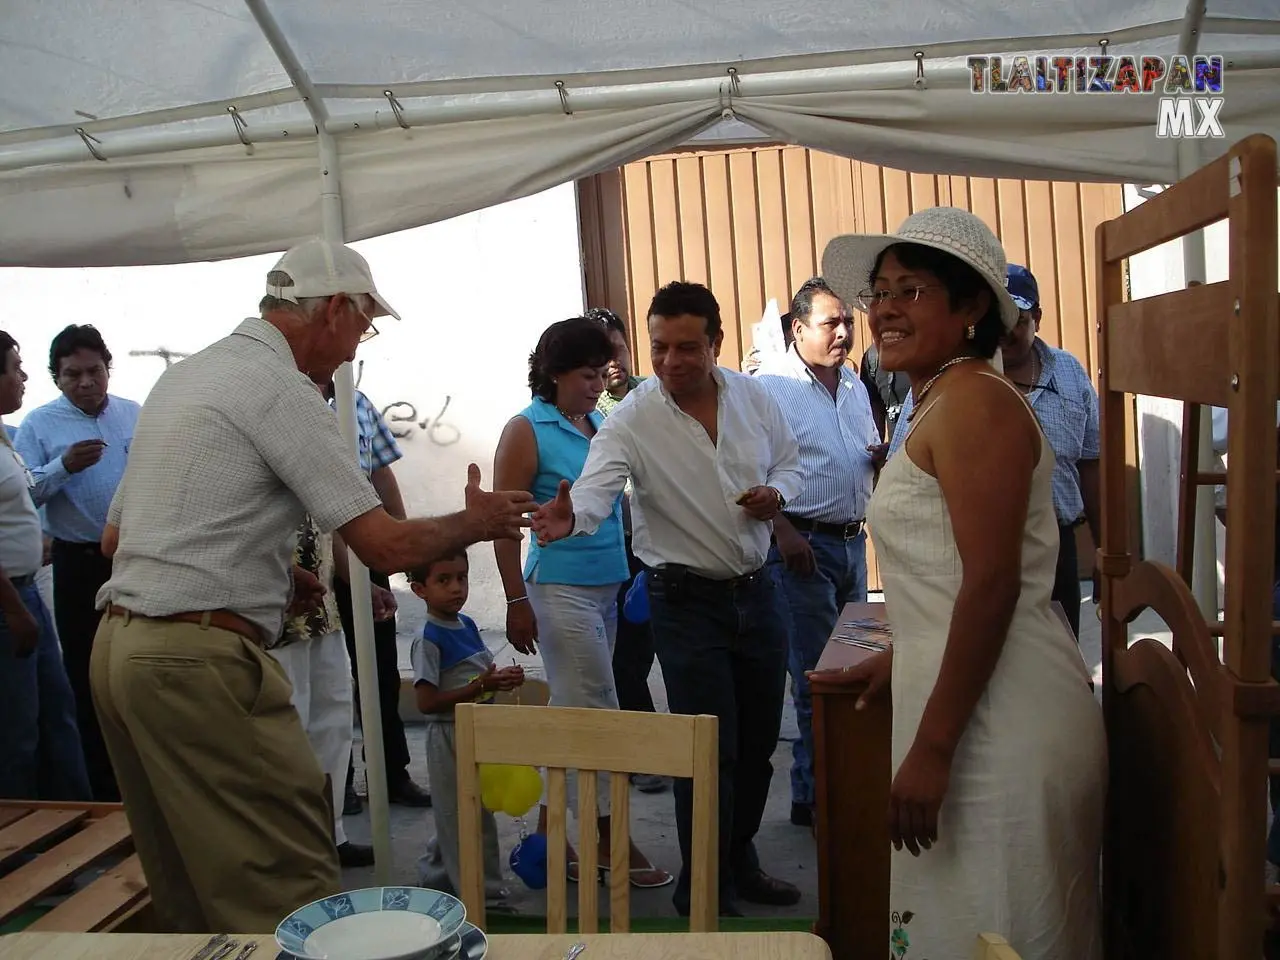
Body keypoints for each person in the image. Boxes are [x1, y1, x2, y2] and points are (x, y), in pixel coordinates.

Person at [91, 237, 535, 934]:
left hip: (119, 651)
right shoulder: (284, 389)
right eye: (364, 327)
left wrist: (271, 570)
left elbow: (117, 540)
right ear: (334, 310)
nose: (357, 348)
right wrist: (476, 522)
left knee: (185, 886)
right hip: (194, 664)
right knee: (289, 876)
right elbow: (384, 543)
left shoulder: (187, 376)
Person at [815, 207, 1105, 960]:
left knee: (1000, 930)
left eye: (910, 291)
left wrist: (934, 749)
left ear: (973, 305)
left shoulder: (975, 401)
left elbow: (994, 584)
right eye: (880, 292)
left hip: (1000, 725)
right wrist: (908, 652)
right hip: (971, 700)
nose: (885, 309)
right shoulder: (938, 397)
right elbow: (950, 576)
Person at [531, 281, 805, 917]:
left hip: (758, 594)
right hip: (684, 605)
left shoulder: (754, 397)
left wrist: (777, 495)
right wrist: (569, 517)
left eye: (686, 347)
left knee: (758, 746)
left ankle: (739, 862)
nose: (670, 361)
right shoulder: (633, 417)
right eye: (659, 347)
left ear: (716, 343)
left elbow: (790, 464)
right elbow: (595, 490)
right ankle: (702, 887)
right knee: (706, 751)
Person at [492, 316, 670, 888]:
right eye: (587, 375)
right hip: (559, 587)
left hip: (607, 587)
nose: (598, 385)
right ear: (555, 373)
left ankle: (555, 840)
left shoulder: (598, 423)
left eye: (601, 373)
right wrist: (515, 599)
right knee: (598, 713)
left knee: (574, 710)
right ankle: (608, 840)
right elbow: (503, 523)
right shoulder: (526, 429)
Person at [755, 277, 879, 828]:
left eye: (848, 322)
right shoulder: (770, 388)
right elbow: (749, 471)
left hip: (853, 545)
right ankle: (817, 798)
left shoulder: (852, 382)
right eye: (831, 323)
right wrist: (782, 531)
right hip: (803, 549)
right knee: (817, 679)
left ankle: (838, 786)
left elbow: (856, 449)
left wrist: (876, 458)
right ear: (798, 330)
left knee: (853, 671)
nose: (844, 333)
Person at [15, 324, 140, 801]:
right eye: (73, 375)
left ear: (109, 368)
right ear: (57, 378)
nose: (86, 383)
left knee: (138, 668)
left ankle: (144, 773)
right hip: (79, 564)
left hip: (134, 558)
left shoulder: (133, 414)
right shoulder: (39, 425)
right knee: (88, 675)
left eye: (94, 371)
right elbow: (23, 494)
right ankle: (103, 789)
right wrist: (63, 466)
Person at [325, 383, 432, 812]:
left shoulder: (355, 400)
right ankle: (338, 782)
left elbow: (380, 473)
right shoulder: (290, 400)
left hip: (365, 548)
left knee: (380, 670)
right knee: (330, 677)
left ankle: (391, 774)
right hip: (315, 559)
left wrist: (402, 539)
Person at [265, 510, 384, 869]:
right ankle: (288, 844)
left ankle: (330, 835)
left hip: (323, 614)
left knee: (334, 726)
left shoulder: (320, 473)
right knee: (286, 734)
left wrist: (362, 585)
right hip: (274, 617)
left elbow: (333, 533)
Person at [0, 332, 91, 802]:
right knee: (18, 731)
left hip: (27, 591)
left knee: (58, 712)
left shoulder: (5, 437)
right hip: (9, 600)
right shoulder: (35, 427)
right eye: (15, 368)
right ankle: (22, 835)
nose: (23, 377)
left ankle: (77, 817)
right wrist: (14, 609)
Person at [409, 550, 522, 903]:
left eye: (462, 577)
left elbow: (478, 676)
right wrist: (481, 687)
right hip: (449, 736)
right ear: (419, 589)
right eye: (443, 580)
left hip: (475, 732)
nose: (456, 588)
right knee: (462, 818)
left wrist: (500, 679)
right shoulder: (428, 637)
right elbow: (426, 702)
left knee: (468, 812)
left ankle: (438, 881)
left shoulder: (467, 624)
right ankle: (483, 897)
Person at [588, 307, 668, 794]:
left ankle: (658, 747)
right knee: (622, 659)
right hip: (608, 549)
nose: (612, 362)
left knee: (649, 650)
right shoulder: (583, 409)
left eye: (617, 349)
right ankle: (639, 752)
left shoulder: (653, 394)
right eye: (602, 354)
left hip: (654, 548)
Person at [998, 264, 1102, 639]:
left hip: (1058, 548)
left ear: (1037, 318)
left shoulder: (1069, 373)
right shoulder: (958, 376)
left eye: (1018, 318)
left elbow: (1092, 463)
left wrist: (1105, 552)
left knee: (1061, 653)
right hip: (982, 551)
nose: (1006, 329)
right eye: (998, 317)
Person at [859, 342, 911, 445]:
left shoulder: (936, 350)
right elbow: (875, 410)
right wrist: (879, 449)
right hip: (897, 451)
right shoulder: (873, 357)